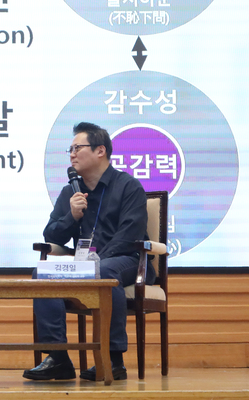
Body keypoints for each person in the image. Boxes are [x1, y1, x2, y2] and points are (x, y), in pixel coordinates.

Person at [23, 122, 154, 381]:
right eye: (70, 150)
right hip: (84, 265)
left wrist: (93, 263)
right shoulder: (70, 191)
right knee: (41, 274)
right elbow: (51, 236)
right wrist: (71, 216)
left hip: (127, 261)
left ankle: (113, 359)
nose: (72, 155)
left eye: (77, 148)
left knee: (104, 271)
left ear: (100, 151)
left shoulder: (128, 186)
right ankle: (58, 357)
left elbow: (129, 235)